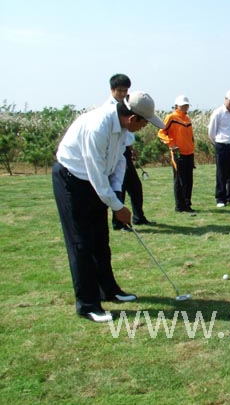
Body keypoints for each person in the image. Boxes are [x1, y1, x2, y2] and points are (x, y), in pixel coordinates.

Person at [52, 91, 165, 323]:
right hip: (72, 180)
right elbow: (95, 172)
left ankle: (109, 290)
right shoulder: (98, 127)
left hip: (96, 181)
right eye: (144, 123)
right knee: (81, 244)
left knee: (101, 240)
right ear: (132, 118)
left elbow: (120, 161)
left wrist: (116, 196)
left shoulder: (123, 128)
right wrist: (117, 206)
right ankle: (87, 305)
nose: (144, 128)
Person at [105, 74, 154, 231]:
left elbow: (126, 134)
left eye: (125, 91)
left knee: (135, 187)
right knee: (120, 185)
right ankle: (119, 222)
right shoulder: (110, 109)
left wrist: (130, 148)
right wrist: (120, 158)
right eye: (119, 90)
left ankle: (139, 217)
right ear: (112, 90)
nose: (122, 94)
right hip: (114, 152)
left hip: (124, 149)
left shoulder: (129, 106)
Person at [158, 95, 196, 215]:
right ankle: (179, 206)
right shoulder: (171, 117)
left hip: (189, 152)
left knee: (188, 180)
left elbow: (190, 136)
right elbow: (161, 133)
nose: (185, 107)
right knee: (179, 179)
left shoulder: (187, 119)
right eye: (183, 105)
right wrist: (171, 143)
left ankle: (187, 204)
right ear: (176, 106)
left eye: (187, 105)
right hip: (178, 153)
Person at [208, 90, 230, 208]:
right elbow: (211, 132)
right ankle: (220, 198)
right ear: (226, 99)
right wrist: (218, 144)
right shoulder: (218, 113)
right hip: (222, 145)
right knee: (222, 173)